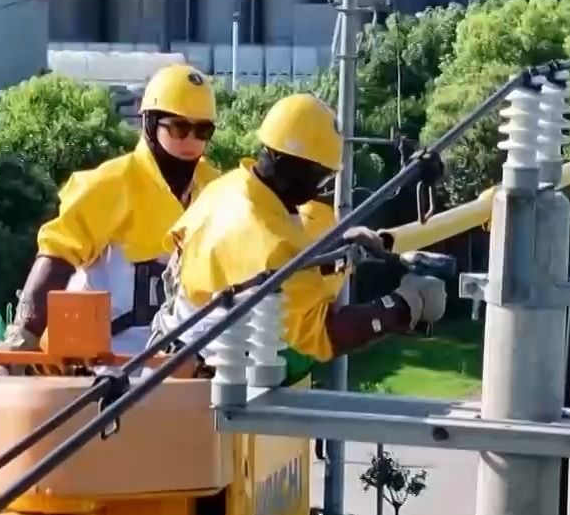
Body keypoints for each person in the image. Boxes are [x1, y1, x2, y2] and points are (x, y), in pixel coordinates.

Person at [150, 93, 446, 375]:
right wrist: (403, 306)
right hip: (211, 379)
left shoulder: (226, 187)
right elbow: (323, 335)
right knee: (291, 355)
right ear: (289, 167)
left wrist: (335, 246)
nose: (321, 186)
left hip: (169, 346)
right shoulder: (275, 243)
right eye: (321, 176)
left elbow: (246, 260)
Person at [0, 63, 221, 355]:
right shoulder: (110, 184)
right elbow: (56, 257)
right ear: (150, 123)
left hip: (184, 360)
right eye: (179, 127)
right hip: (102, 362)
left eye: (203, 130)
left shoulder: (216, 190)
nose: (191, 141)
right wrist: (23, 335)